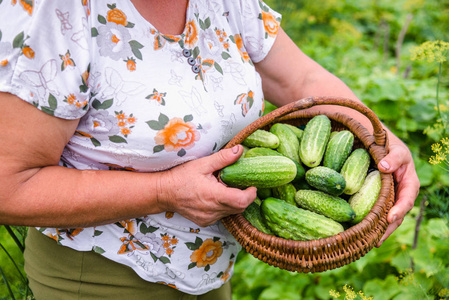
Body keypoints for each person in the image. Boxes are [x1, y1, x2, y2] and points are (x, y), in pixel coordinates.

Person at [0, 0, 419, 299]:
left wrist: (381, 139)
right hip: (102, 275)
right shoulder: (52, 14)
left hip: (211, 268)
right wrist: (164, 192)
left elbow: (301, 82)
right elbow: (9, 187)